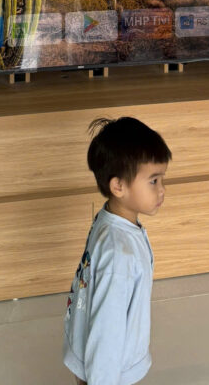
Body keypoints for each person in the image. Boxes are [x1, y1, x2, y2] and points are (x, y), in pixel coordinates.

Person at [63, 116, 172, 385]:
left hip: (92, 355)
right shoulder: (119, 255)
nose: (162, 190)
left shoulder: (110, 220)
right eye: (153, 181)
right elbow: (107, 330)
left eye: (162, 179)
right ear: (118, 186)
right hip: (107, 372)